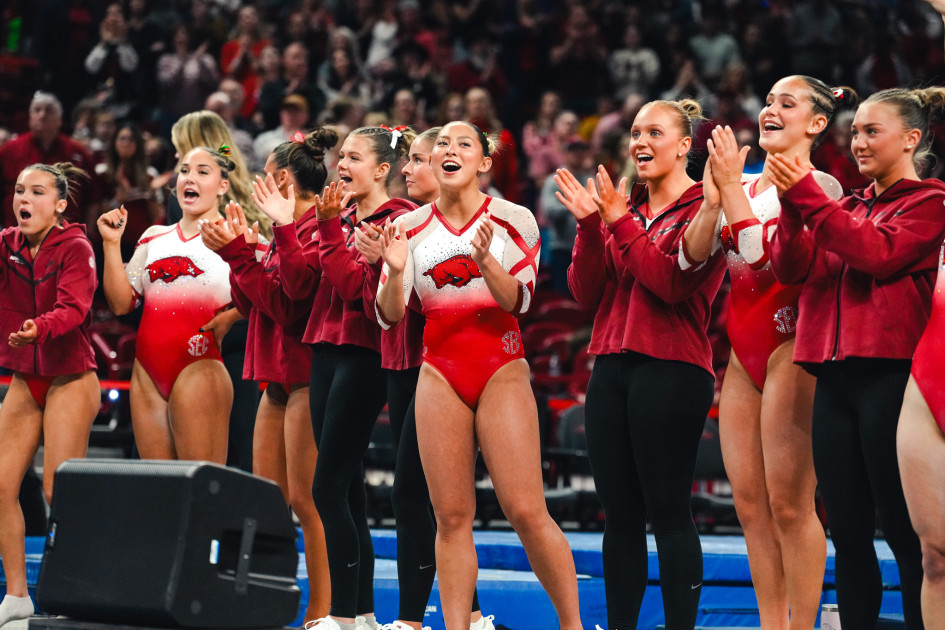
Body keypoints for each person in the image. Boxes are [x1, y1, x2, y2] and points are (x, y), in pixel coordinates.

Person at [376, 121, 582, 630]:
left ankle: (574, 626)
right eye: (442, 144)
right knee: (450, 519)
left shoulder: (514, 218)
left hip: (500, 369)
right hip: (439, 373)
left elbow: (520, 302)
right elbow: (388, 316)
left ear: (484, 162)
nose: (451, 150)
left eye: (463, 144)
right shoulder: (407, 227)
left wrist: (487, 262)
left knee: (527, 512)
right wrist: (396, 271)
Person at [679, 75, 854, 630]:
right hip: (742, 355)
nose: (771, 109)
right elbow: (691, 259)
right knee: (751, 508)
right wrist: (712, 201)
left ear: (818, 123)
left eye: (788, 103)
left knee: (790, 504)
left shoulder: (821, 185)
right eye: (770, 101)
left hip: (793, 348)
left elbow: (762, 259)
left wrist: (729, 190)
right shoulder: (745, 184)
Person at [769, 86, 945, 630]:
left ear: (911, 139)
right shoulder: (843, 205)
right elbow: (789, 269)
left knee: (903, 531)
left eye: (872, 131)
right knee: (846, 532)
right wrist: (792, 205)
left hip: (891, 379)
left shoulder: (931, 202)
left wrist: (807, 196)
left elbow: (877, 254)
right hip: (833, 379)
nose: (858, 142)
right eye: (855, 132)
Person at [554, 99, 726, 629]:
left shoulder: (707, 204)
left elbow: (670, 283)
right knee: (620, 518)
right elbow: (585, 293)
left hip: (672, 369)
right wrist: (589, 226)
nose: (640, 142)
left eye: (654, 132)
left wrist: (619, 222)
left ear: (684, 145)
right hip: (610, 367)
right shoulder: (621, 206)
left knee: (669, 512)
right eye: (634, 132)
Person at [271, 125, 416, 630]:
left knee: (327, 487)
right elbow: (298, 286)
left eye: (354, 157)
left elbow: (357, 288)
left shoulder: (398, 219)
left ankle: (342, 614)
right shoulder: (341, 215)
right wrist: (285, 227)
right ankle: (362, 614)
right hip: (324, 351)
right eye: (342, 156)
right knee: (347, 489)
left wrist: (329, 228)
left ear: (382, 169)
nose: (342, 165)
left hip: (363, 355)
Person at [199, 129, 339, 623]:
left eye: (266, 173)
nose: (259, 180)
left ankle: (324, 612)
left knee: (307, 500)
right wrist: (234, 252)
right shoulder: (283, 230)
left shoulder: (317, 229)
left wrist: (243, 253)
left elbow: (290, 300)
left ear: (283, 180)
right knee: (268, 498)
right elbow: (252, 300)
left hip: (306, 376)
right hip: (275, 378)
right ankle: (267, 604)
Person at [360, 127, 493, 630]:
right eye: (413, 159)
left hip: (437, 369)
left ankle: (412, 619)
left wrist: (390, 266)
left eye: (418, 159)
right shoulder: (406, 226)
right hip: (401, 363)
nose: (409, 168)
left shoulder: (450, 228)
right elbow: (379, 312)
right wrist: (381, 268)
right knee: (433, 501)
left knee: (418, 496)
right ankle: (471, 616)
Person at [0, 163, 100, 628]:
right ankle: (17, 595)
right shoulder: (7, 246)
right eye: (20, 190)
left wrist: (38, 328)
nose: (25, 199)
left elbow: (74, 309)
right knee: (1, 486)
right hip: (25, 378)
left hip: (71, 378)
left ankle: (72, 590)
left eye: (37, 192)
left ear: (60, 205)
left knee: (58, 490)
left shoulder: (76, 246)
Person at [98, 146, 242, 464]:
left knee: (197, 484)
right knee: (158, 485)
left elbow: (273, 296)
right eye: (185, 171)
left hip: (200, 365)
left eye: (202, 172)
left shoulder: (238, 236)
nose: (190, 178)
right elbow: (121, 304)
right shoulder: (153, 237)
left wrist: (232, 316)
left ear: (223, 185)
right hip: (146, 371)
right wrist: (111, 244)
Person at [168, 111, 266, 471]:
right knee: (241, 443)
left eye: (181, 149)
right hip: (229, 329)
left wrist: (229, 318)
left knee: (203, 451)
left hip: (216, 333)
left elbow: (263, 273)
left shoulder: (187, 197)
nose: (178, 160)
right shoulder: (252, 193)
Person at [0, 92, 93, 228]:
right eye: (37, 110)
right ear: (30, 117)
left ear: (60, 120)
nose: (42, 115)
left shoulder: (77, 151)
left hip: (66, 233)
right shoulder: (9, 150)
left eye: (48, 110)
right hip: (16, 234)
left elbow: (93, 198)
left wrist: (87, 233)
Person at [92, 122, 163, 260]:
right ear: (114, 143)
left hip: (140, 244)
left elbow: (156, 216)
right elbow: (97, 215)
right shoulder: (101, 173)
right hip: (110, 244)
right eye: (122, 138)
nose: (126, 143)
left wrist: (152, 195)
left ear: (138, 144)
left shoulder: (150, 175)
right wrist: (120, 197)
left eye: (131, 139)